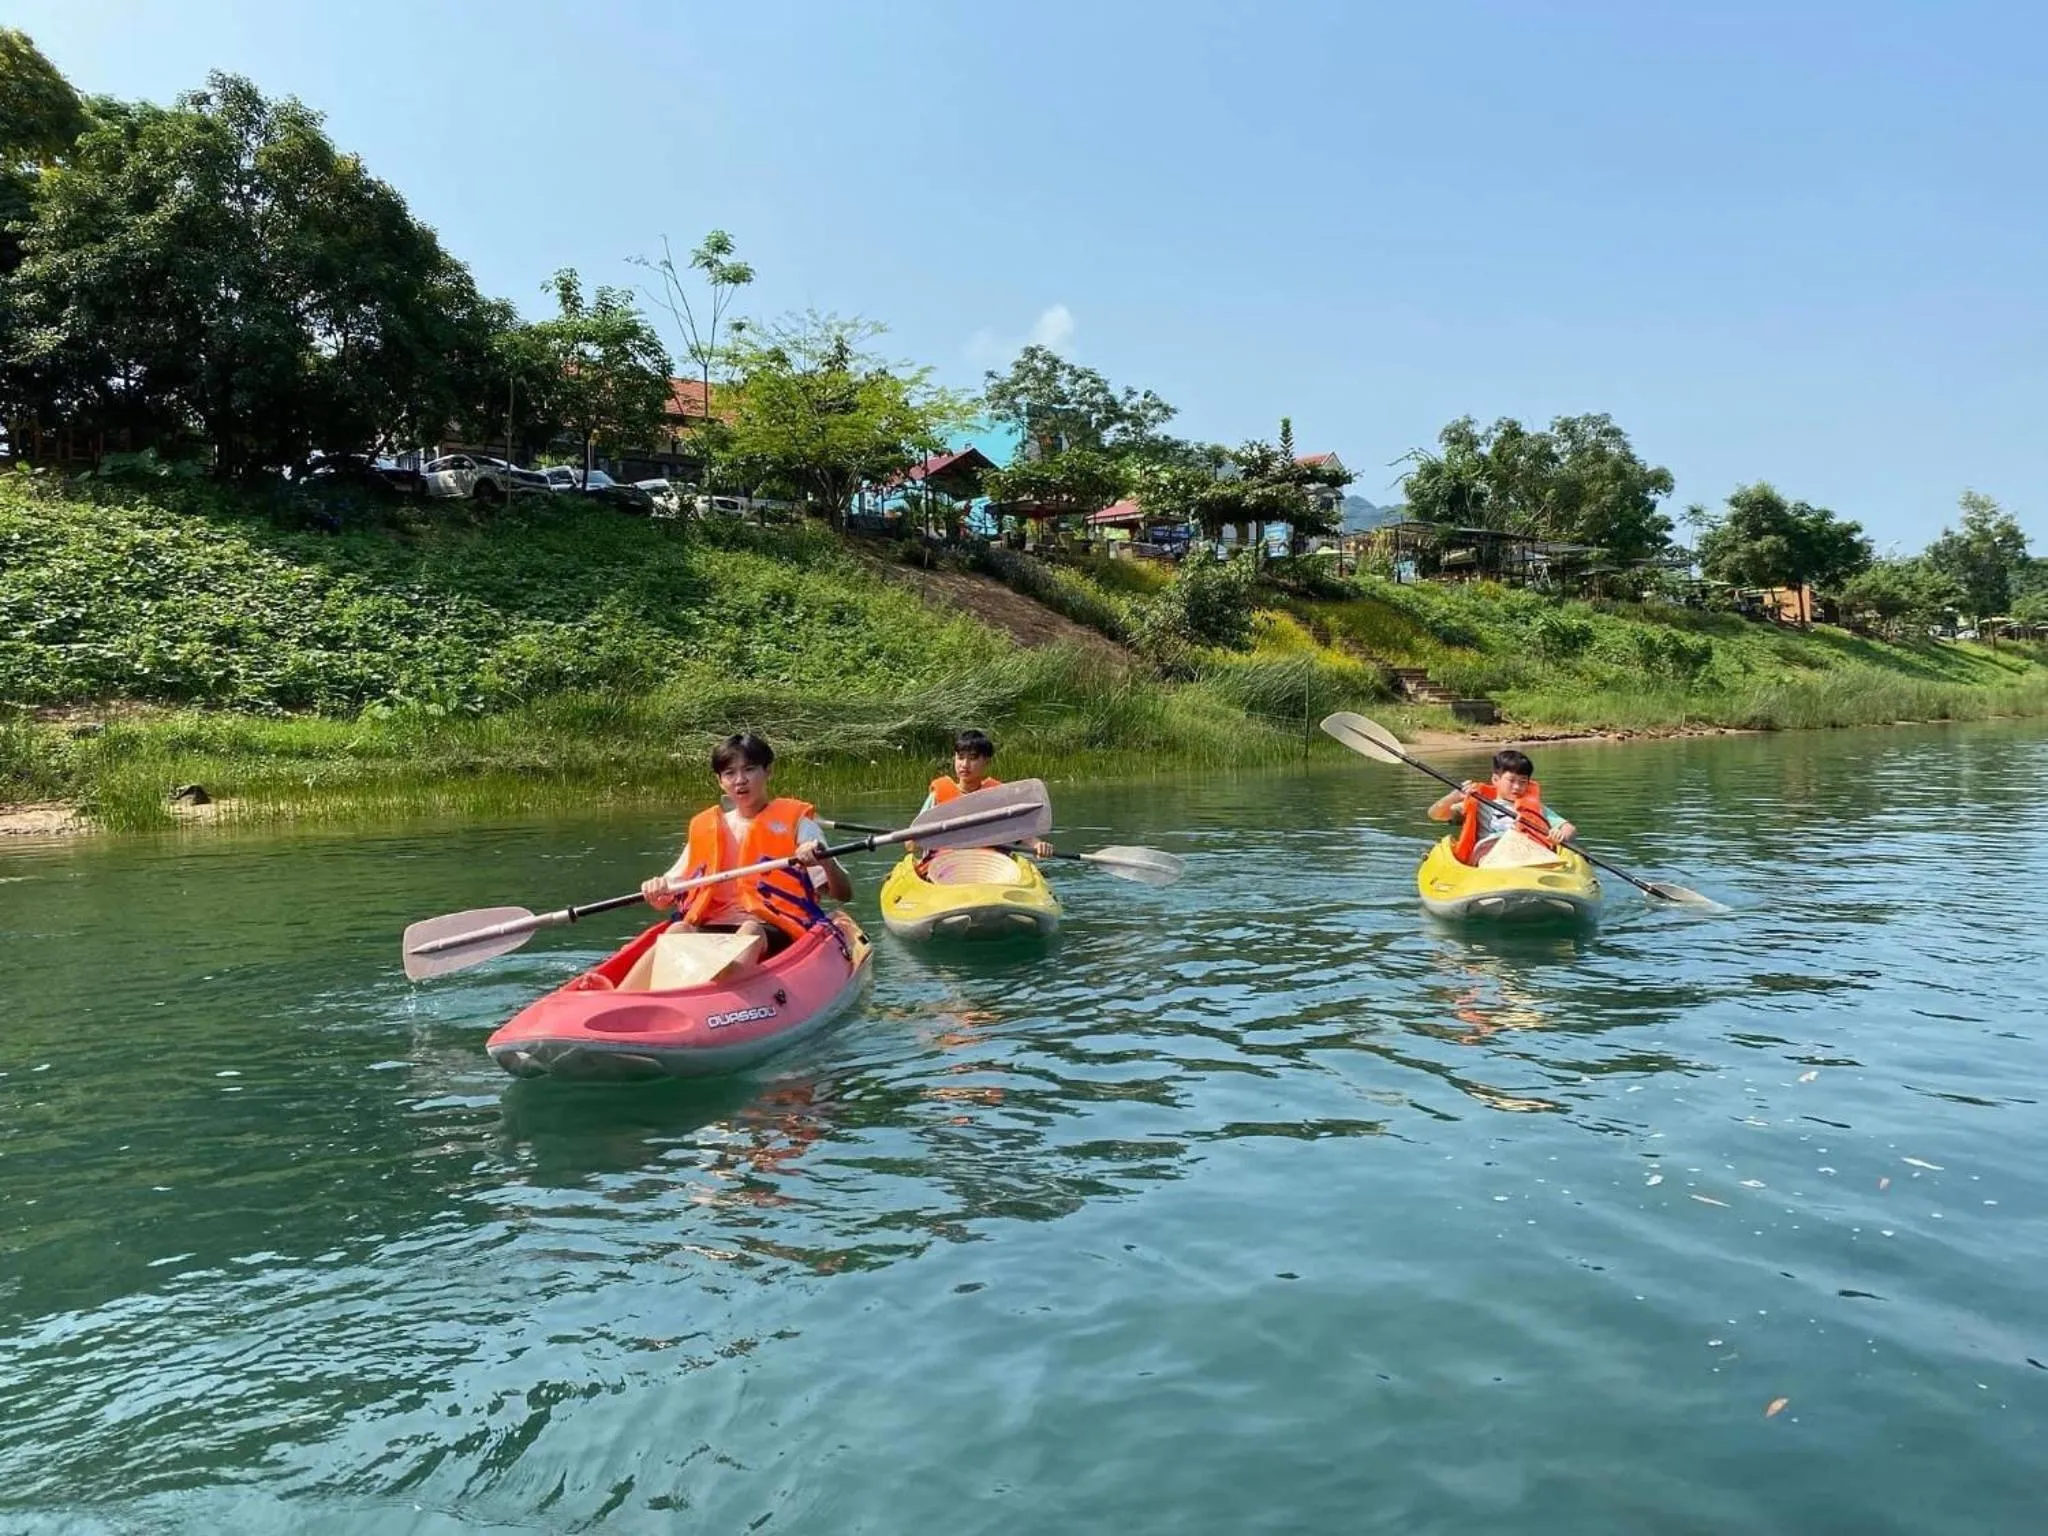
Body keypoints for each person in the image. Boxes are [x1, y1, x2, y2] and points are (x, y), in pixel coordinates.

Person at [641, 733, 852, 952]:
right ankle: (612, 987)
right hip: (713, 928)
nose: (740, 780)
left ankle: (726, 982)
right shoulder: (706, 829)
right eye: (730, 773)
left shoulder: (799, 824)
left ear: (768, 771)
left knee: (750, 930)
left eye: (749, 769)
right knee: (677, 930)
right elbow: (666, 895)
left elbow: (843, 894)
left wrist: (825, 860)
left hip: (774, 928)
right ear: (720, 781)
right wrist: (656, 888)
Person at [1426, 748, 1578, 867]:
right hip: (1489, 852)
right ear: (1495, 779)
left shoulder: (1535, 807)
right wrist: (1454, 796)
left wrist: (1560, 835)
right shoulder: (1479, 803)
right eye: (1511, 780)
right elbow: (1436, 814)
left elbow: (1569, 828)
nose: (1517, 787)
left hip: (1527, 853)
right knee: (1492, 857)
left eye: (1523, 781)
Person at [916, 728, 1052, 859]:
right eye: (960, 757)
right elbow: (911, 844)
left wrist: (1037, 845)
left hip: (987, 862)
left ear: (986, 761)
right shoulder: (937, 796)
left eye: (973, 758)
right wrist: (917, 839)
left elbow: (1018, 830)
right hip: (947, 861)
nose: (964, 764)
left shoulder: (998, 796)